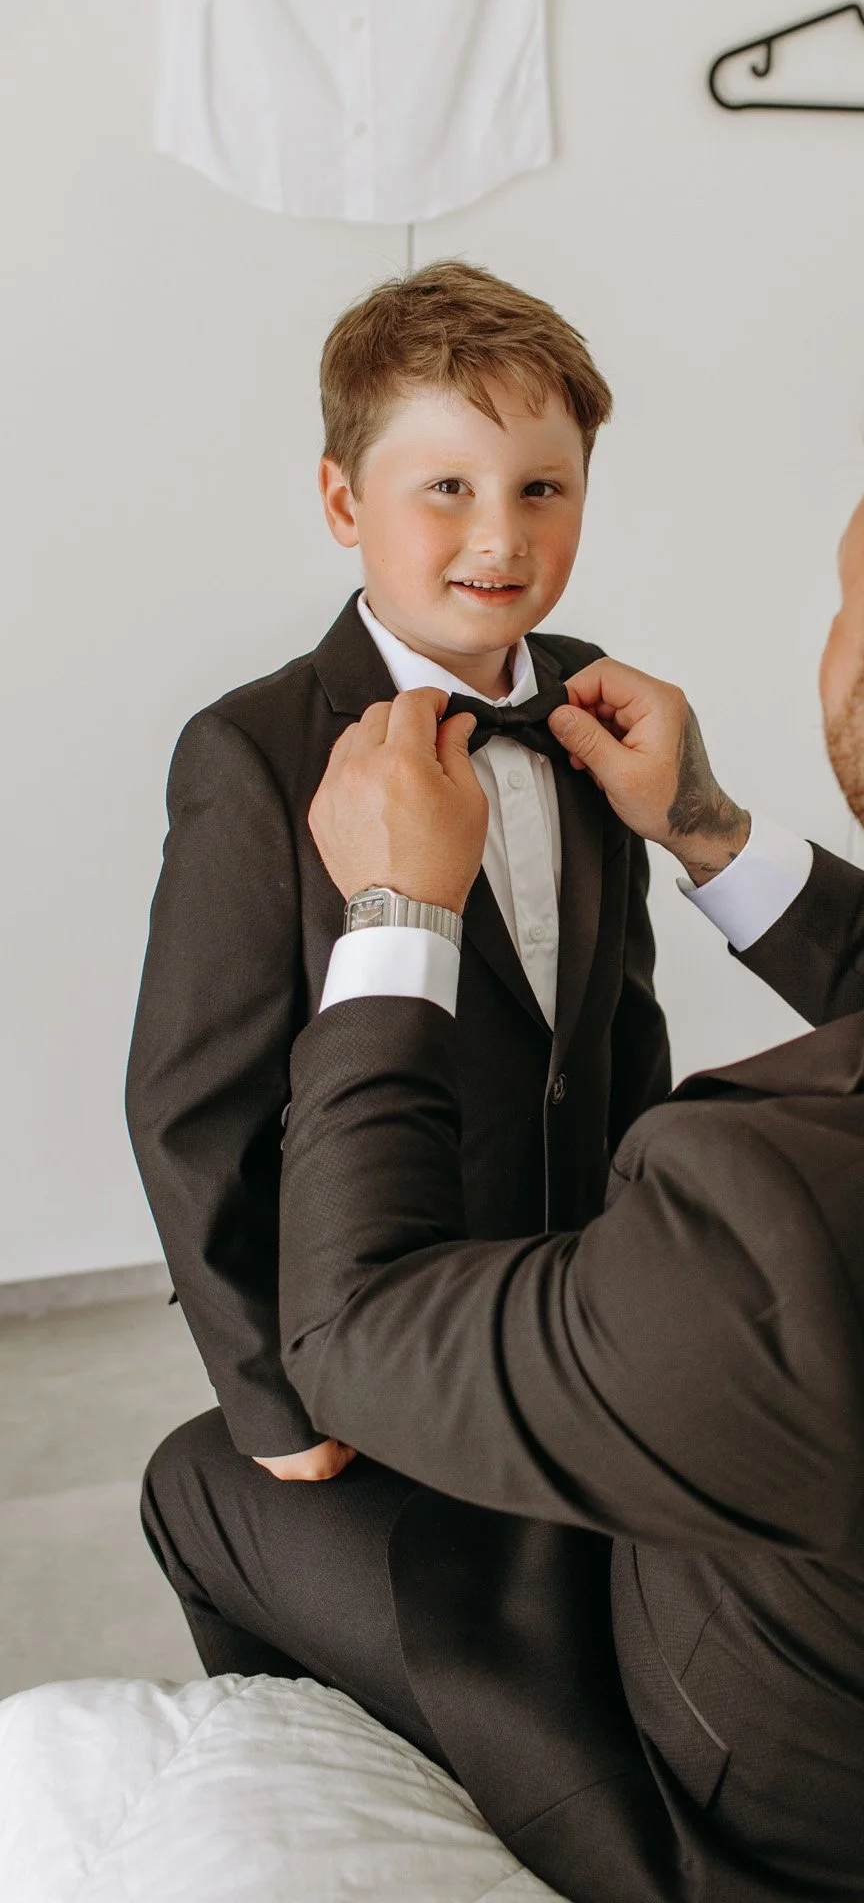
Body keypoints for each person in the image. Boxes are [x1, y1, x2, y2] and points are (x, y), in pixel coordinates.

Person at [143, 329, 864, 1903]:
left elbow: (353, 1331)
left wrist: (391, 914)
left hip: (819, 1829)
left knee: (193, 1480)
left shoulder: (778, 1226)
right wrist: (711, 832)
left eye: (846, 610)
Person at [127, 257, 669, 1479]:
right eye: (447, 487)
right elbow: (190, 1113)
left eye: (544, 486)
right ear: (341, 500)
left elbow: (621, 1024)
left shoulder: (592, 702)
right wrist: (277, 1402)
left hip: (572, 1321)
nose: (502, 533)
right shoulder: (250, 751)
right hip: (373, 1333)